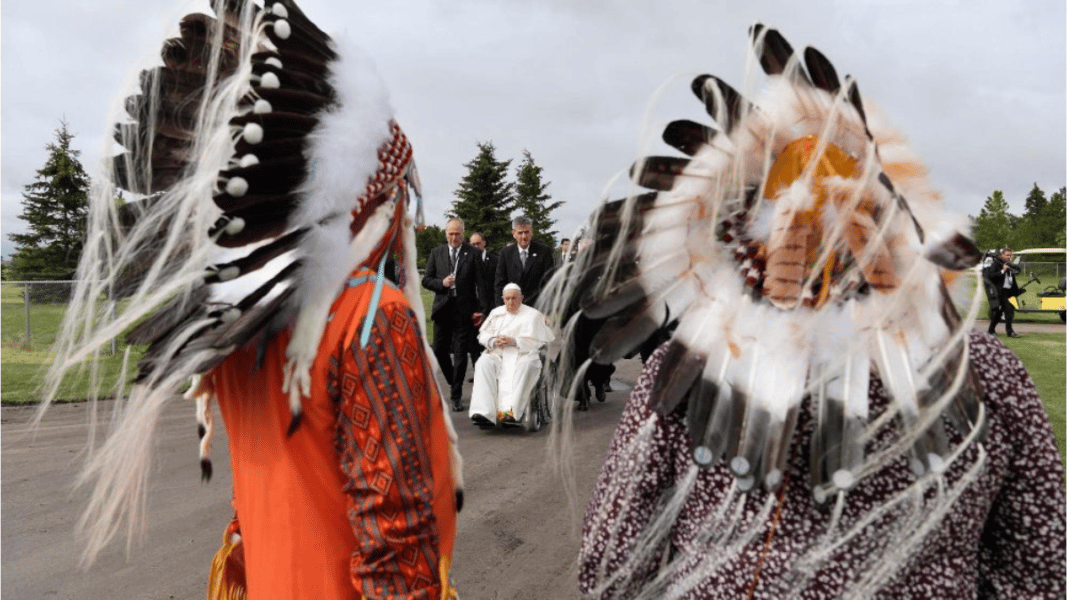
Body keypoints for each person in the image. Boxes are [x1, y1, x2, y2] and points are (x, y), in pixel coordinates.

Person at [541, 25, 1065, 599]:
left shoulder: (686, 370)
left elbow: (613, 571)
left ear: (745, 240)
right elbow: (1037, 572)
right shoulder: (991, 373)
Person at [38, 2, 463, 598]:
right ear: (373, 201)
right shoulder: (372, 317)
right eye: (400, 199)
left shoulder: (243, 321)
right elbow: (399, 527)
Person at [469, 283, 555, 427]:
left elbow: (539, 342)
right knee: (483, 362)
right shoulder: (496, 313)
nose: (510, 302)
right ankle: (484, 412)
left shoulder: (533, 315)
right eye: (507, 298)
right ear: (503, 299)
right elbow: (483, 335)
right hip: (498, 354)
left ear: (521, 298)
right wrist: (493, 340)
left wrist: (515, 341)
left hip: (523, 354)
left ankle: (510, 413)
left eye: (514, 298)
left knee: (527, 365)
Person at [423, 218, 486, 411]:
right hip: (442, 310)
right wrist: (441, 284)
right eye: (450, 233)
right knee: (439, 350)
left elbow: (481, 285)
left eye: (457, 233)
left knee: (460, 354)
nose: (454, 237)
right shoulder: (437, 253)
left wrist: (481, 310)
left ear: (463, 234)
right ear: (445, 234)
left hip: (464, 311)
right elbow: (426, 280)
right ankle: (453, 380)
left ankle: (456, 395)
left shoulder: (473, 254)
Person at [494, 215, 555, 308]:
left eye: (527, 232)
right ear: (513, 233)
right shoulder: (505, 253)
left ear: (532, 232)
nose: (524, 236)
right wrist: (500, 308)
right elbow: (500, 284)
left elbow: (549, 282)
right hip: (512, 307)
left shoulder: (544, 252)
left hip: (538, 306)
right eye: (520, 233)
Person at [469, 231, 498, 367]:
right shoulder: (466, 260)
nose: (475, 246)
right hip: (472, 308)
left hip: (491, 307)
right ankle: (478, 372)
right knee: (474, 344)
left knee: (491, 342)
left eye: (478, 243)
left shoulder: (495, 260)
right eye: (472, 244)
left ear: (484, 243)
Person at [984, 247, 1022, 337]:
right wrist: (1002, 271)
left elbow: (1014, 273)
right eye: (1007, 255)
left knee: (999, 312)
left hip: (1007, 291)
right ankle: (1010, 332)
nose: (1009, 257)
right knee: (1009, 310)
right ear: (1002, 255)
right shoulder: (996, 264)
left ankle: (990, 331)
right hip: (998, 291)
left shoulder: (1008, 264)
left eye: (1010, 255)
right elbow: (990, 276)